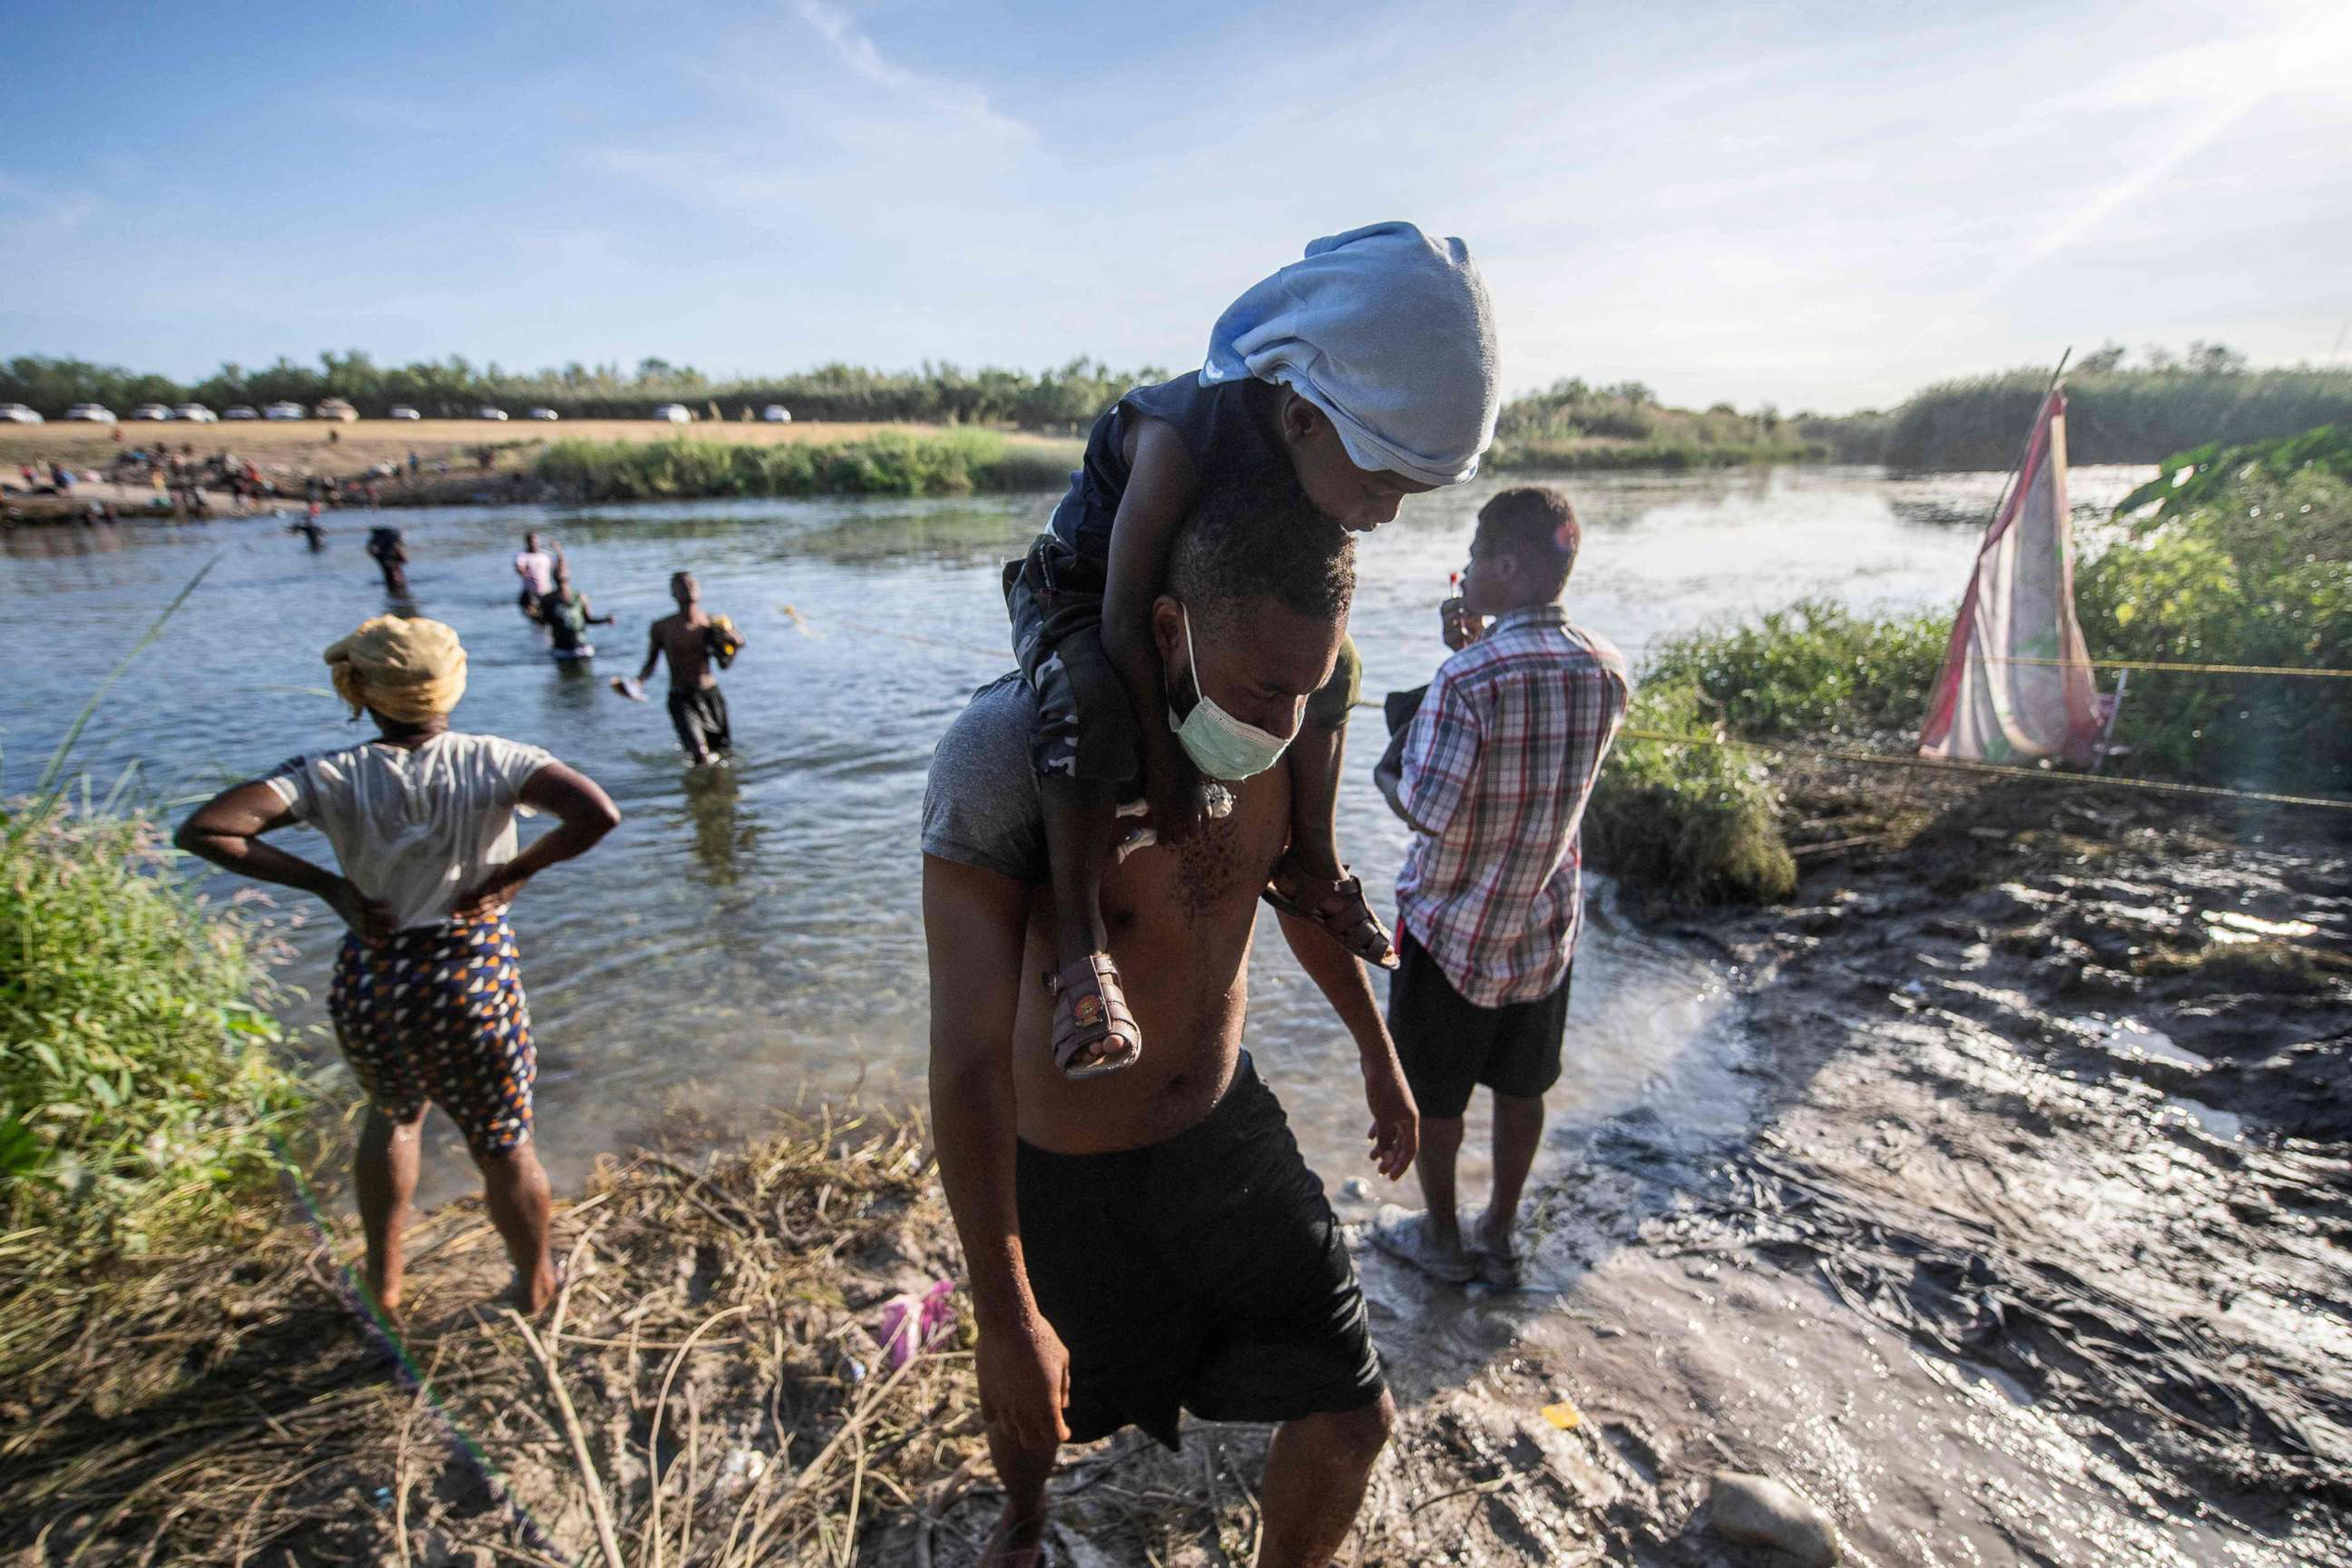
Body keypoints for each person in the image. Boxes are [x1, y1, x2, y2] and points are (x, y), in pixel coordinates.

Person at [925, 475, 1418, 1568]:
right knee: (1037, 1408)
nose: (1283, 721)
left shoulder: (1293, 720)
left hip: (1227, 1142)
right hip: (1066, 1175)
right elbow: (962, 1060)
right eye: (1259, 689)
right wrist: (1003, 1311)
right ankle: (1025, 1519)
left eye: (1312, 685)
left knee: (1353, 1418)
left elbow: (1298, 900)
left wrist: (1378, 1056)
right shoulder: (1011, 758)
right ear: (1168, 629)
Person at [1007, 220, 1499, 1082]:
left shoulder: (1319, 450)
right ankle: (1082, 948)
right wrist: (1173, 777)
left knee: (1337, 669)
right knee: (1086, 700)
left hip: (1202, 597)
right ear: (1305, 420)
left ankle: (1312, 861)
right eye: (1381, 486)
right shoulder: (1178, 441)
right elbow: (1124, 622)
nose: (1384, 516)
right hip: (1084, 591)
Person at [175, 616, 621, 1318]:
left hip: (375, 979)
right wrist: (515, 873)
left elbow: (206, 829)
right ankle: (535, 1285)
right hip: (471, 982)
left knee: (394, 1117)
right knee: (504, 1143)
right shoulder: (497, 760)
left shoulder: (328, 774)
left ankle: (384, 1285)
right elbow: (597, 813)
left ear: (362, 692)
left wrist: (331, 887)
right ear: (453, 687)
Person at [1368, 487, 1628, 1288]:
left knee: (1436, 1100)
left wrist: (1402, 749)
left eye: (1476, 557)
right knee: (1523, 1087)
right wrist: (1466, 655)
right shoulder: (1607, 668)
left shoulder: (1471, 682)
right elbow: (1537, 766)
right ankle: (1501, 1234)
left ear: (1508, 567)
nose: (1468, 569)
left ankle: (1441, 1238)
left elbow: (1427, 810)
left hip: (1452, 931)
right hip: (1544, 928)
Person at [639, 571, 742, 765]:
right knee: (700, 755)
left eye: (692, 583)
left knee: (722, 752)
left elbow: (724, 664)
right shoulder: (661, 627)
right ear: (673, 593)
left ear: (700, 590)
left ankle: (716, 791)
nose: (688, 586)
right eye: (682, 584)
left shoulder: (713, 624)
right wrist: (637, 682)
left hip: (711, 695)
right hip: (681, 697)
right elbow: (651, 662)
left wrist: (734, 647)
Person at [542, 562, 613, 659]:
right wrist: (533, 614)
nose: (560, 571)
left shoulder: (580, 597)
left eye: (562, 568)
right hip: (561, 650)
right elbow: (544, 621)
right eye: (557, 569)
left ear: (569, 573)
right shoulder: (548, 599)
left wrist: (605, 620)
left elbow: (588, 619)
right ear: (552, 575)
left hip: (582, 647)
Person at [514, 531, 560, 621]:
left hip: (546, 592)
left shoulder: (546, 555)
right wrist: (524, 572)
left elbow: (559, 566)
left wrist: (558, 551)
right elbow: (519, 568)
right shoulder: (522, 556)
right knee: (535, 618)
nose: (533, 543)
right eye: (531, 541)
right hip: (530, 594)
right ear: (527, 542)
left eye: (535, 541)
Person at [366, 524, 408, 595]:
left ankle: (395, 586)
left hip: (376, 544)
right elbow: (402, 557)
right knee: (392, 568)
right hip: (384, 541)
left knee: (390, 568)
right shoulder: (394, 539)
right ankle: (396, 584)